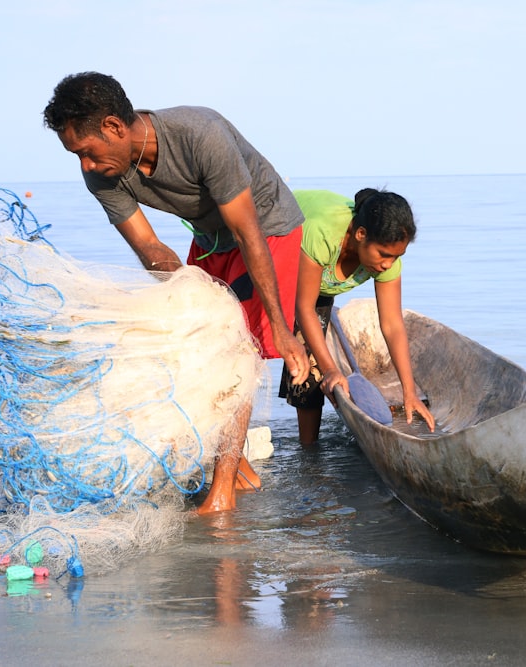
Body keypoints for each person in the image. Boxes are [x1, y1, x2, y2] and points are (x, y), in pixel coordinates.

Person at [42, 72, 309, 513]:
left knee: (242, 350)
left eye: (86, 153)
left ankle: (222, 492)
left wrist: (282, 326)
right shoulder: (102, 176)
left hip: (266, 229)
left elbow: (248, 231)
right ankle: (238, 464)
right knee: (200, 343)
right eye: (76, 157)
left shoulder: (200, 134)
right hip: (211, 238)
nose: (85, 166)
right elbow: (149, 247)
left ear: (113, 126)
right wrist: (195, 301)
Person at [280, 189, 435, 445]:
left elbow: (392, 325)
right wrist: (331, 369)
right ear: (360, 234)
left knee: (312, 374)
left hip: (315, 286)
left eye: (397, 256)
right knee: (306, 370)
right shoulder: (322, 233)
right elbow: (304, 307)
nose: (388, 264)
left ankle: (310, 451)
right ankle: (308, 453)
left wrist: (410, 392)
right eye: (384, 254)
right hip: (278, 257)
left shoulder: (388, 261)